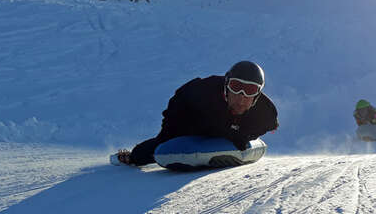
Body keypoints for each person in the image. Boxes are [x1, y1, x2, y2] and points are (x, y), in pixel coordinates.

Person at [112, 61, 279, 166]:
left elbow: (265, 127)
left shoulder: (266, 113)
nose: (242, 96)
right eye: (236, 87)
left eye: (250, 90)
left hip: (226, 127)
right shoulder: (203, 91)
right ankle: (131, 156)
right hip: (195, 121)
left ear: (257, 96)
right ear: (227, 85)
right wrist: (167, 134)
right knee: (158, 146)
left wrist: (241, 136)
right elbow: (178, 102)